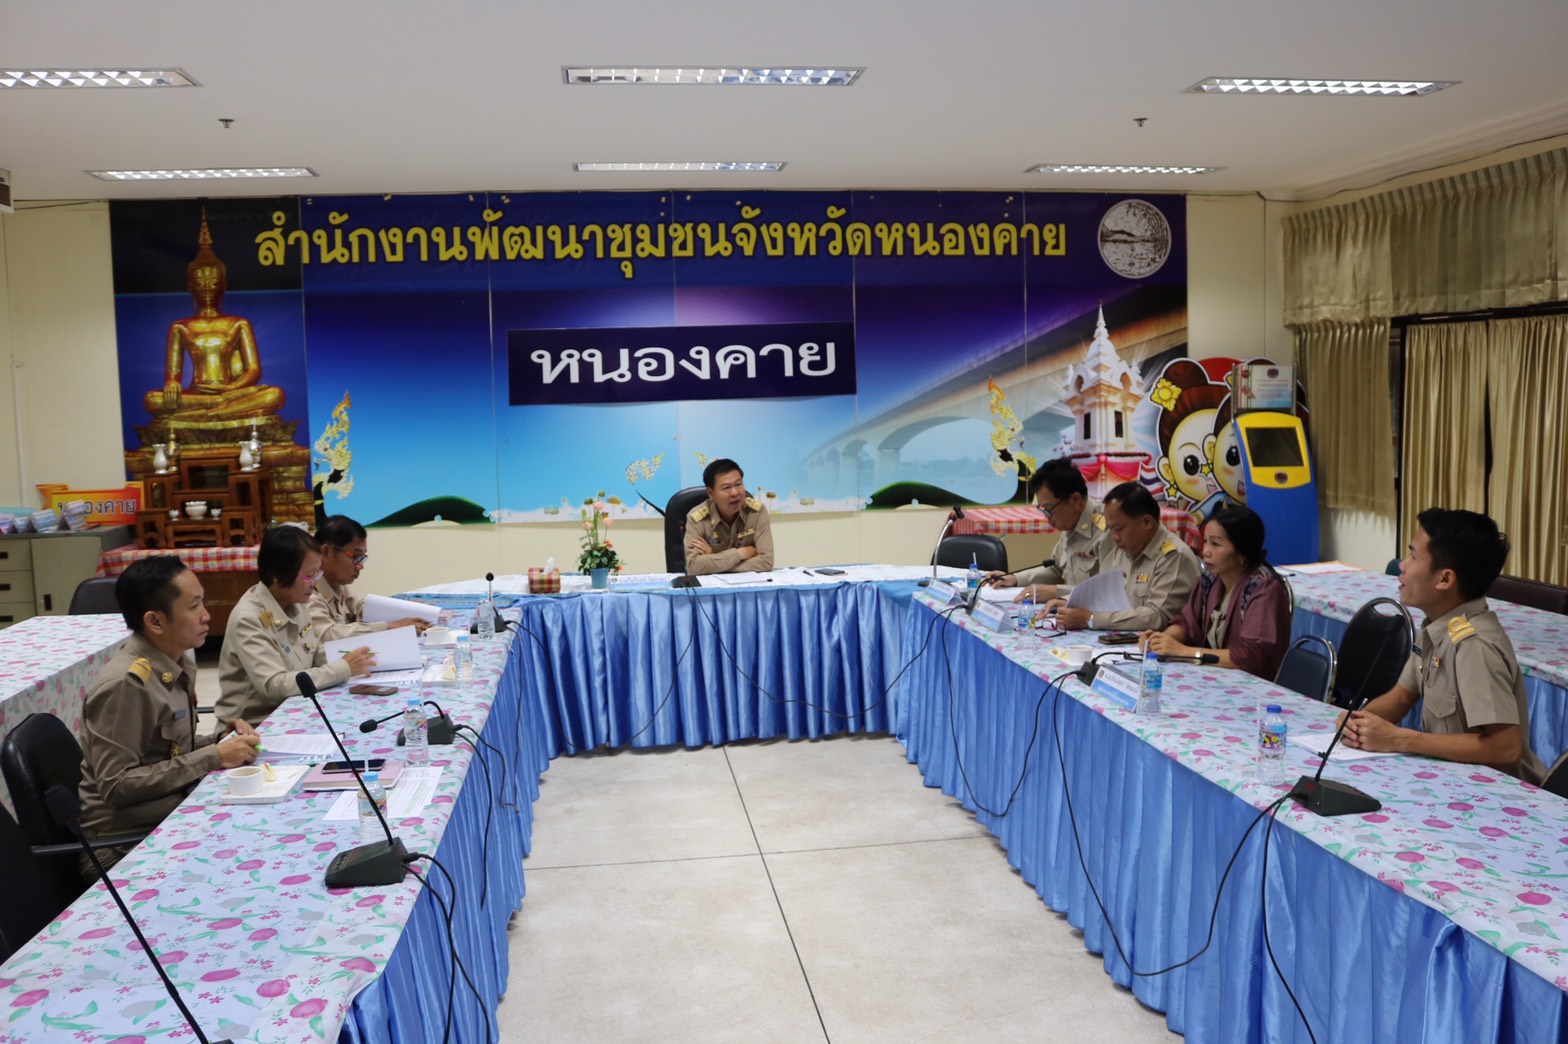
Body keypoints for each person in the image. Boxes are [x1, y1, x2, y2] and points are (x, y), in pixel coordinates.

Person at [77, 556, 261, 874]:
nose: (206, 615)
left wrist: (220, 741)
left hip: (166, 818)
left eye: (202, 601)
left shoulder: (173, 663)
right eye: (193, 606)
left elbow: (167, 751)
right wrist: (214, 756)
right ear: (155, 621)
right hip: (123, 846)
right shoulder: (126, 685)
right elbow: (116, 784)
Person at [1340, 508, 1547, 783]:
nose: (1402, 565)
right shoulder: (1436, 625)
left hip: (1498, 791)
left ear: (1445, 579)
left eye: (1414, 556)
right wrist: (1357, 723)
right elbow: (1401, 697)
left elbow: (1505, 748)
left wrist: (1400, 738)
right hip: (1451, 780)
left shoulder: (1474, 645)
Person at [215, 525, 376, 727]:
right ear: (278, 575)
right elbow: (274, 686)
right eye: (309, 576)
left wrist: (354, 657)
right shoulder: (249, 618)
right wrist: (342, 668)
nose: (314, 583)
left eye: (317, 574)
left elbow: (313, 654)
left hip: (296, 711)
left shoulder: (296, 603)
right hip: (255, 725)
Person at [142, 210, 284, 421]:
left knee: (275, 395)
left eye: (214, 283)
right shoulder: (180, 327)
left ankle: (211, 413)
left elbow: (253, 370)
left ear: (224, 285)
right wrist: (172, 383)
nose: (207, 289)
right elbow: (173, 375)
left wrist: (230, 389)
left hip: (230, 393)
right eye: (200, 284)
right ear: (190, 287)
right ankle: (217, 410)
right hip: (197, 394)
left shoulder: (238, 323)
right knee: (152, 400)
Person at [1141, 505, 1290, 679]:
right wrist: (1160, 640)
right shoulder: (1211, 579)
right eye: (1205, 541)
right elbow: (1187, 624)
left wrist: (1186, 652)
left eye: (1215, 544)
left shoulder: (1264, 588)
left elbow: (1251, 656)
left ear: (1243, 552)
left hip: (1251, 686)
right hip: (1214, 677)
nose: (1205, 552)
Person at [1044, 482, 1200, 632]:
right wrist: (1071, 603)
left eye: (1119, 529)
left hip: (1153, 644)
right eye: (1111, 529)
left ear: (1147, 522)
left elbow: (1157, 616)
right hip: (1120, 639)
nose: (1114, 537)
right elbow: (1105, 592)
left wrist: (1091, 618)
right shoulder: (1126, 548)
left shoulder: (1174, 557)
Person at [990, 457, 1115, 603]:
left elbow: (1109, 590)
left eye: (1049, 509)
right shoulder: (1070, 523)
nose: (1047, 518)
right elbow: (1055, 570)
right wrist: (1015, 579)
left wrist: (1056, 591)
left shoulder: (1109, 529)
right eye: (1043, 510)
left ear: (1075, 499)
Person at [310, 515, 427, 641]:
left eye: (362, 558)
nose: (360, 566)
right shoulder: (306, 589)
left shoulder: (336, 582)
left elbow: (359, 609)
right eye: (355, 556)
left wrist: (402, 609)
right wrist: (387, 627)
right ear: (326, 552)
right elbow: (326, 635)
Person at [684, 458, 775, 575]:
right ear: (710, 493)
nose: (735, 492)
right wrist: (740, 554)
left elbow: (766, 562)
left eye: (738, 484)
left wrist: (714, 560)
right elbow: (693, 566)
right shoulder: (697, 518)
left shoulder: (757, 512)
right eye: (726, 488)